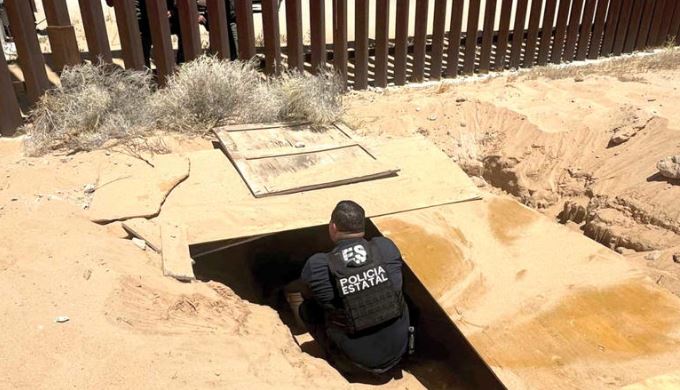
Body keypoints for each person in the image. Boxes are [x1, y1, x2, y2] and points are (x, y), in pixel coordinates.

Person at [288, 200, 410, 375]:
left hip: (358, 362)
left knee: (307, 309)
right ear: (363, 225)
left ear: (334, 227)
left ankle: (337, 360)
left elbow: (307, 294)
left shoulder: (317, 264)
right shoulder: (386, 247)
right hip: (400, 351)